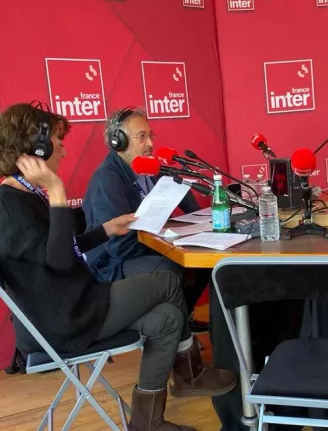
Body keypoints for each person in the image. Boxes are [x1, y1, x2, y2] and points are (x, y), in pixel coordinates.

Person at [0, 103, 236, 431]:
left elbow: (56, 249)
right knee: (167, 281)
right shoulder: (9, 205)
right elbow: (59, 260)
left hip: (75, 304)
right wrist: (56, 190)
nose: (64, 151)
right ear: (37, 148)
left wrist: (105, 230)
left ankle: (147, 423)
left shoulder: (22, 196)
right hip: (64, 319)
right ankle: (189, 374)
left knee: (168, 319)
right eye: (58, 141)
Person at [82, 107, 209, 332]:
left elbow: (189, 203)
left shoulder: (150, 167)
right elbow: (119, 246)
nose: (150, 143)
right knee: (169, 269)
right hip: (112, 264)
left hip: (143, 248)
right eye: (142, 136)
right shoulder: (107, 181)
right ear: (118, 142)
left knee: (204, 262)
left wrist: (204, 227)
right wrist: (170, 248)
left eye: (151, 135)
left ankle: (184, 320)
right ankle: (181, 341)